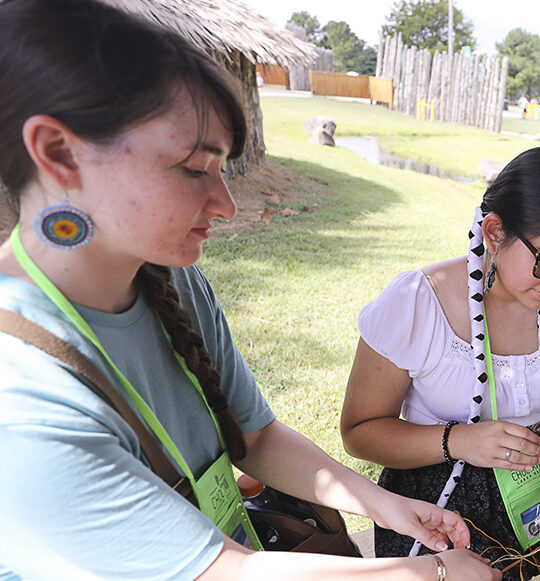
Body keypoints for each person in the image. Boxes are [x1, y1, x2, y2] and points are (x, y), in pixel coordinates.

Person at [0, 1, 499, 579]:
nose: (226, 205)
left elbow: (254, 437)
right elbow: (222, 572)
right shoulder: (20, 390)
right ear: (60, 153)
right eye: (193, 168)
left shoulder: (173, 281)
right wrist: (430, 574)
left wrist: (390, 508)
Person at [340, 146, 540, 579]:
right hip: (442, 510)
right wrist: (459, 442)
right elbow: (359, 432)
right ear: (494, 232)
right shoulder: (417, 303)